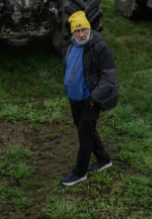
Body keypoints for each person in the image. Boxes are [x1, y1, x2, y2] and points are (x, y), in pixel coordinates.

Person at [61, 11, 118, 187]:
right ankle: (103, 160)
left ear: (89, 28)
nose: (81, 34)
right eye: (77, 31)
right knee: (87, 131)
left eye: (84, 29)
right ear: (72, 33)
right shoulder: (70, 46)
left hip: (90, 100)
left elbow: (109, 78)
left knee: (84, 136)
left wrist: (93, 99)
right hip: (74, 99)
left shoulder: (100, 47)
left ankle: (80, 172)